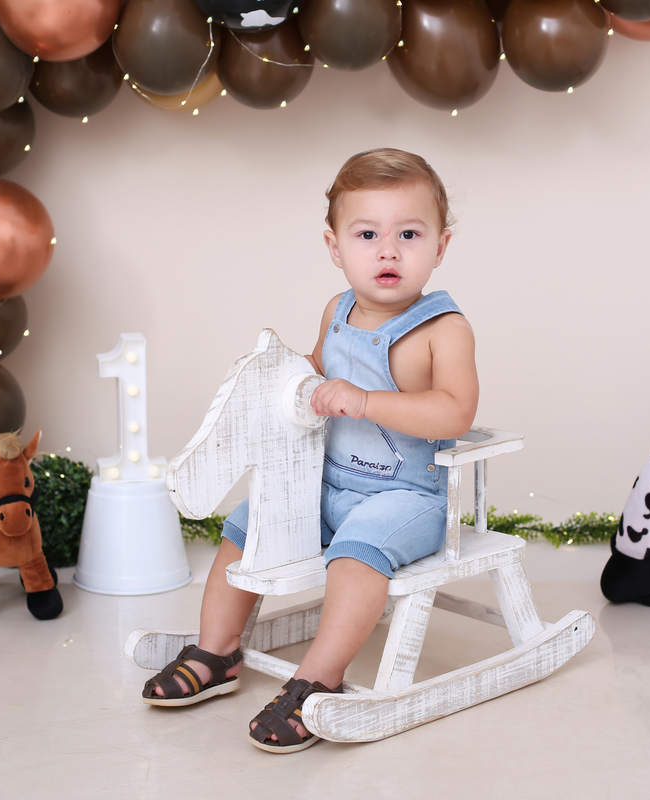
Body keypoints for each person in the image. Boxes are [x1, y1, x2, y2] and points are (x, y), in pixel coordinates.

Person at [142, 148, 479, 753]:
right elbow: (319, 371)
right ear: (335, 247)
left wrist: (366, 401)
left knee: (356, 553)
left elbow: (455, 411)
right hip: (329, 481)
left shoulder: (443, 329)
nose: (388, 251)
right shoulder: (338, 310)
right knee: (249, 523)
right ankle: (217, 650)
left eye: (409, 235)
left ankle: (317, 680)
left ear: (440, 246)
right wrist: (286, 378)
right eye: (367, 235)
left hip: (406, 496)